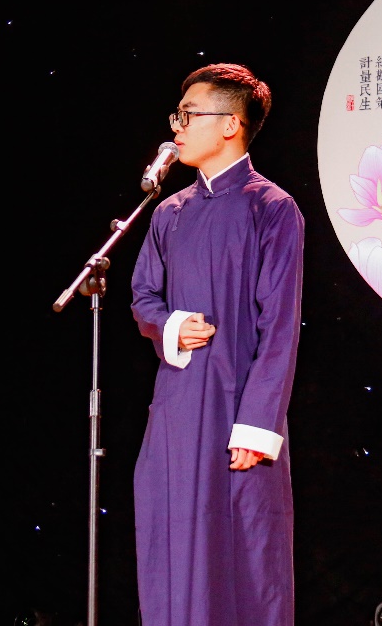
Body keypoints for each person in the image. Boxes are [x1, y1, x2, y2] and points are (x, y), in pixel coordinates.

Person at [129, 62, 305, 626]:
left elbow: (280, 325)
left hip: (237, 411)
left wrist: (257, 425)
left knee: (244, 553)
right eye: (176, 116)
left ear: (231, 124)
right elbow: (143, 296)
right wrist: (171, 325)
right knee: (172, 544)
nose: (177, 128)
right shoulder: (168, 213)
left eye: (189, 115)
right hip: (177, 409)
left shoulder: (271, 208)